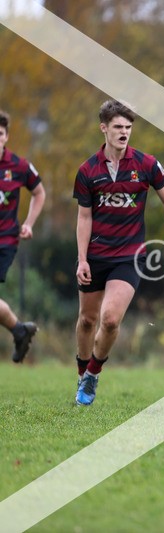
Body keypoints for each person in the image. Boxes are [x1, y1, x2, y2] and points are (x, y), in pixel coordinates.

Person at [72, 99, 164, 406]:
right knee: (87, 320)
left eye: (128, 127)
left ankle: (93, 374)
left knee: (110, 320)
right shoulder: (87, 170)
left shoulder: (146, 164)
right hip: (95, 255)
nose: (124, 132)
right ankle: (82, 374)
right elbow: (84, 218)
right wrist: (82, 259)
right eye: (118, 127)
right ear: (104, 128)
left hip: (129, 256)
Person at [0, 109, 45, 363]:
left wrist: (29, 223)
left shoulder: (19, 166)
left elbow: (39, 192)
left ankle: (19, 331)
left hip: (5, 241)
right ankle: (19, 331)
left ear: (6, 137)